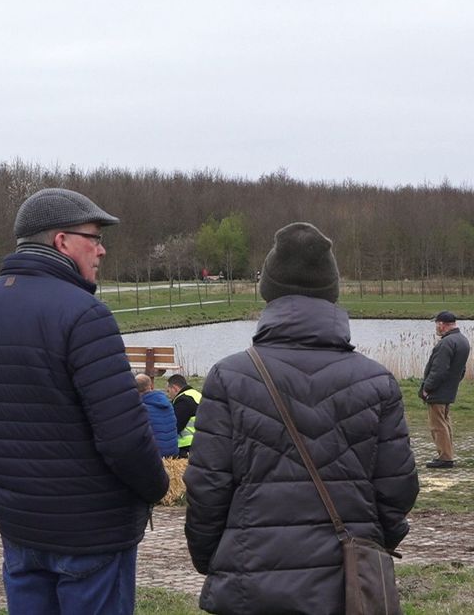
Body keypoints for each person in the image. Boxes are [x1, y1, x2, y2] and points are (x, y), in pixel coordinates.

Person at [0, 188, 168, 615]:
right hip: (93, 536)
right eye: (94, 236)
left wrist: (20, 488)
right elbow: (124, 438)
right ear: (62, 241)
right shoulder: (85, 315)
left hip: (20, 530)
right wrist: (156, 487)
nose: (102, 249)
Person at [184, 222, 419, 614]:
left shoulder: (230, 376)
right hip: (345, 584)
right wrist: (373, 543)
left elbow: (207, 488)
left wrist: (215, 557)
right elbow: (398, 489)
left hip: (250, 579)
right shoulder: (377, 381)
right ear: (332, 293)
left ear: (269, 292)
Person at [420, 311, 471, 469]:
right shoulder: (462, 341)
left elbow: (439, 370)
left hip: (439, 391)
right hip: (449, 389)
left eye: (437, 323)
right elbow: (461, 371)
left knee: (438, 425)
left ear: (442, 324)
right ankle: (447, 454)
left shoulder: (446, 343)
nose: (436, 327)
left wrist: (427, 388)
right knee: (445, 422)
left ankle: (445, 458)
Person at [135, 374, 179, 458]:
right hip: (173, 453)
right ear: (151, 385)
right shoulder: (168, 404)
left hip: (155, 455)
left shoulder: (141, 409)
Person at [166, 374, 201, 458]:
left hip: (187, 446)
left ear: (175, 388)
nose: (168, 395)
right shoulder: (196, 395)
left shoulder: (183, 401)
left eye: (168, 391)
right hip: (201, 442)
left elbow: (175, 426)